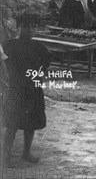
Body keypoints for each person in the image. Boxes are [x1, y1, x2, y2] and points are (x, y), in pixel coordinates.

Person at [1, 11, 51, 166]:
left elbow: (46, 65)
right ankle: (6, 156)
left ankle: (26, 152)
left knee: (31, 123)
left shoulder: (40, 47)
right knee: (12, 124)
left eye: (32, 27)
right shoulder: (8, 45)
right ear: (18, 28)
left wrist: (38, 76)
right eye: (25, 26)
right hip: (14, 90)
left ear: (35, 29)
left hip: (32, 90)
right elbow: (2, 66)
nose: (28, 30)